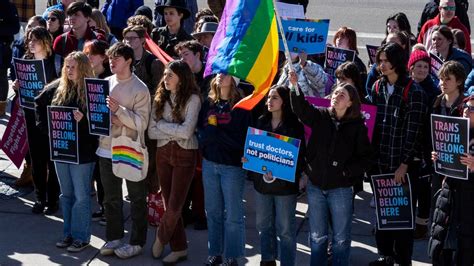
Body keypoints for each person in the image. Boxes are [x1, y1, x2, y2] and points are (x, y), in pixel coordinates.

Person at [290, 76, 372, 265]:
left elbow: (366, 158)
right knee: (317, 237)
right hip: (316, 187)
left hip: (341, 190)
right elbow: (301, 108)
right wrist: (295, 86)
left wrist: (347, 172)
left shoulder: (357, 126)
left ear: (351, 102)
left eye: (342, 95)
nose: (336, 96)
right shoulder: (320, 116)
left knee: (341, 239)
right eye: (335, 93)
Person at [368, 43, 428, 266]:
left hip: (403, 169)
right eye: (379, 60)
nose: (381, 64)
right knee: (383, 219)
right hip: (381, 165)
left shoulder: (414, 92)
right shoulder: (376, 87)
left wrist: (404, 164)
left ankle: (403, 261)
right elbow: (372, 126)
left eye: (385, 60)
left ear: (397, 63)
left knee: (402, 221)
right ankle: (384, 258)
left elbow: (414, 133)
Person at [97, 42, 150, 259]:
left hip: (130, 149)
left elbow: (142, 123)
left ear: (128, 61)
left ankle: (137, 241)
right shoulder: (105, 83)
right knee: (110, 198)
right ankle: (114, 237)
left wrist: (119, 112)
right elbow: (98, 114)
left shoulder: (140, 88)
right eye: (110, 58)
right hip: (105, 148)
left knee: (137, 198)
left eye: (116, 58)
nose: (111, 61)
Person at [42, 52, 97, 252]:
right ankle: (68, 234)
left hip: (83, 152)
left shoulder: (93, 91)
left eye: (73, 67)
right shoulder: (58, 88)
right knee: (66, 195)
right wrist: (48, 130)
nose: (69, 70)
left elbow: (99, 126)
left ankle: (81, 237)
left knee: (81, 196)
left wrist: (84, 122)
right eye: (67, 66)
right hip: (62, 149)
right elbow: (39, 105)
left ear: (83, 68)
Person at [148, 60, 200, 264]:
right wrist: (172, 130)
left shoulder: (193, 99)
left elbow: (188, 132)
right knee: (168, 201)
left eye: (170, 75)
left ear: (181, 77)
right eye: (165, 74)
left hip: (185, 154)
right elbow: (152, 131)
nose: (165, 79)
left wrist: (163, 126)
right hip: (163, 152)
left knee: (175, 204)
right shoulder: (160, 97)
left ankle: (161, 237)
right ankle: (179, 248)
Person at [248, 85, 305, 266]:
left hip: (285, 188)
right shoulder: (261, 121)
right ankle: (268, 259)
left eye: (274, 98)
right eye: (269, 98)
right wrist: (249, 157)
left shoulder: (294, 126)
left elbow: (299, 156)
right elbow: (255, 151)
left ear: (284, 102)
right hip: (262, 185)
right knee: (263, 226)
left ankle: (287, 262)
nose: (269, 101)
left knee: (286, 230)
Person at [198, 73, 251, 266]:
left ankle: (232, 256)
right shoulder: (208, 104)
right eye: (219, 73)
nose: (220, 76)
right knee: (212, 212)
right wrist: (212, 136)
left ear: (234, 81)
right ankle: (215, 253)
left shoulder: (242, 108)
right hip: (210, 163)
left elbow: (240, 139)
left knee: (233, 215)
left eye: (226, 74)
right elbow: (201, 132)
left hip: (232, 167)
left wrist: (215, 133)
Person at [11, 26, 60, 215]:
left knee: (51, 160)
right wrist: (17, 88)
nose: (31, 43)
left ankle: (53, 199)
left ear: (45, 42)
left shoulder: (55, 62)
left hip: (50, 116)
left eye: (35, 40)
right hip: (31, 116)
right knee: (37, 160)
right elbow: (22, 92)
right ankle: (40, 198)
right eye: (29, 40)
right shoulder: (25, 61)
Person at [430, 93, 474, 266]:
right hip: (450, 192)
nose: (467, 111)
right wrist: (439, 157)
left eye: (472, 109)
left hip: (470, 199)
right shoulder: (453, 128)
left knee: (466, 245)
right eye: (466, 107)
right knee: (442, 238)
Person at [407, 48, 440, 239]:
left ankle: (421, 225)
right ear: (411, 68)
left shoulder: (433, 92)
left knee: (423, 190)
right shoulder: (407, 87)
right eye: (418, 66)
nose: (422, 70)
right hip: (409, 146)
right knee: (408, 188)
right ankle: (406, 222)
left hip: (425, 147)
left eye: (426, 67)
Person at [83, 39, 112, 225]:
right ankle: (103, 206)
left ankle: (107, 209)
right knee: (95, 173)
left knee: (105, 175)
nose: (87, 58)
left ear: (103, 57)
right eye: (85, 54)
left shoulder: (109, 78)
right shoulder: (86, 76)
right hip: (89, 131)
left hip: (106, 133)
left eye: (91, 55)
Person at [0, 0, 20, 116]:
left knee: (1, 76)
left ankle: (1, 106)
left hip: (2, 46)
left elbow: (15, 28)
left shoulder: (8, 6)